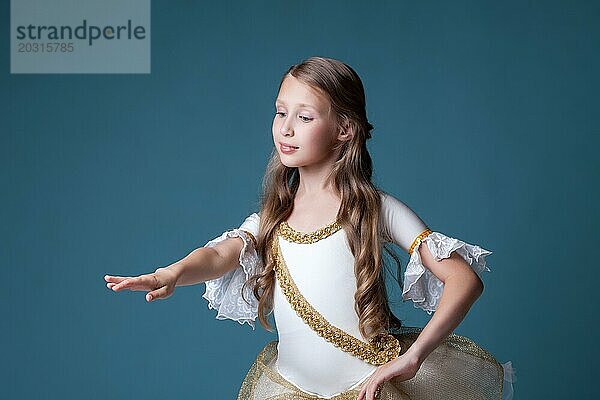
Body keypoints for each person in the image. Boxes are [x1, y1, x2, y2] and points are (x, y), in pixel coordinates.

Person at [104, 56, 516, 400]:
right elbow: (218, 255)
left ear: (344, 129)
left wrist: (414, 355)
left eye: (304, 117)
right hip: (290, 389)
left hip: (366, 391)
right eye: (280, 112)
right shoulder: (274, 216)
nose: (285, 128)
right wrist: (171, 273)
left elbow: (464, 280)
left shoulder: (375, 209)